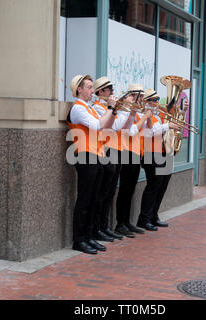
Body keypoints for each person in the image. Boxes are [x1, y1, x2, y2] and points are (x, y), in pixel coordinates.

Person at [67, 74, 117, 254]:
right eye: (88, 87)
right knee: (85, 200)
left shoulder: (89, 108)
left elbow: (108, 125)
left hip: (96, 155)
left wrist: (113, 110)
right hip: (85, 156)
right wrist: (110, 107)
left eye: (91, 87)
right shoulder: (78, 108)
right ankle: (79, 239)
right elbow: (97, 126)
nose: (91, 90)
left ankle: (89, 236)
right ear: (79, 90)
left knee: (94, 199)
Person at [91, 76, 130, 242]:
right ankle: (98, 227)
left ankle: (104, 226)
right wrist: (120, 109)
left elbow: (127, 127)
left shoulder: (108, 108)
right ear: (102, 92)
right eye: (110, 90)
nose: (113, 93)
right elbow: (115, 126)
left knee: (109, 192)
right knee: (102, 193)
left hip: (114, 150)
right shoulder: (99, 108)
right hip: (105, 150)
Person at [136, 89, 181, 231]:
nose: (157, 102)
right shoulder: (145, 115)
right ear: (147, 102)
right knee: (153, 186)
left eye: (157, 99)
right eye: (154, 100)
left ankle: (153, 215)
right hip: (150, 154)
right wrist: (168, 125)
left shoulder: (158, 115)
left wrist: (182, 112)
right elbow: (151, 131)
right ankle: (144, 219)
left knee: (162, 186)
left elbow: (174, 120)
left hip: (162, 152)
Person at [115, 84, 153, 238]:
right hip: (127, 151)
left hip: (136, 152)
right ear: (132, 96)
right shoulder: (126, 111)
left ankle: (127, 221)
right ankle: (120, 223)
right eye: (140, 96)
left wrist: (147, 117)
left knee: (130, 189)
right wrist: (143, 116)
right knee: (124, 189)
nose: (142, 99)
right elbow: (129, 132)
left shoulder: (137, 113)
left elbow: (149, 132)